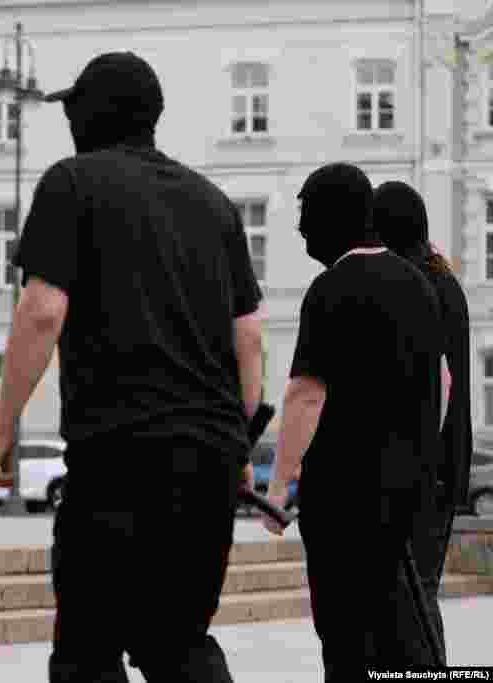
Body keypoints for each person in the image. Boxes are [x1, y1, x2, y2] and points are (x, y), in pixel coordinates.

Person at [0, 52, 263, 682]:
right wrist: (241, 441)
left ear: (90, 113)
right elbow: (248, 336)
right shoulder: (213, 203)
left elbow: (43, 312)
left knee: (89, 646)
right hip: (208, 457)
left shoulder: (72, 182)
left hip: (120, 452)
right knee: (180, 643)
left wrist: (2, 427)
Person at [263, 163, 445, 678]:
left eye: (305, 215)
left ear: (330, 216)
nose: (299, 230)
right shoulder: (418, 285)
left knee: (346, 642)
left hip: (346, 503)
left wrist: (277, 491)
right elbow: (445, 383)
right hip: (408, 499)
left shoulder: (331, 289)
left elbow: (305, 397)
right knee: (396, 642)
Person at [374, 180, 469, 664]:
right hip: (444, 465)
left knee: (414, 600)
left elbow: (434, 385)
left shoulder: (418, 285)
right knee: (419, 595)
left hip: (423, 468)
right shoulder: (442, 280)